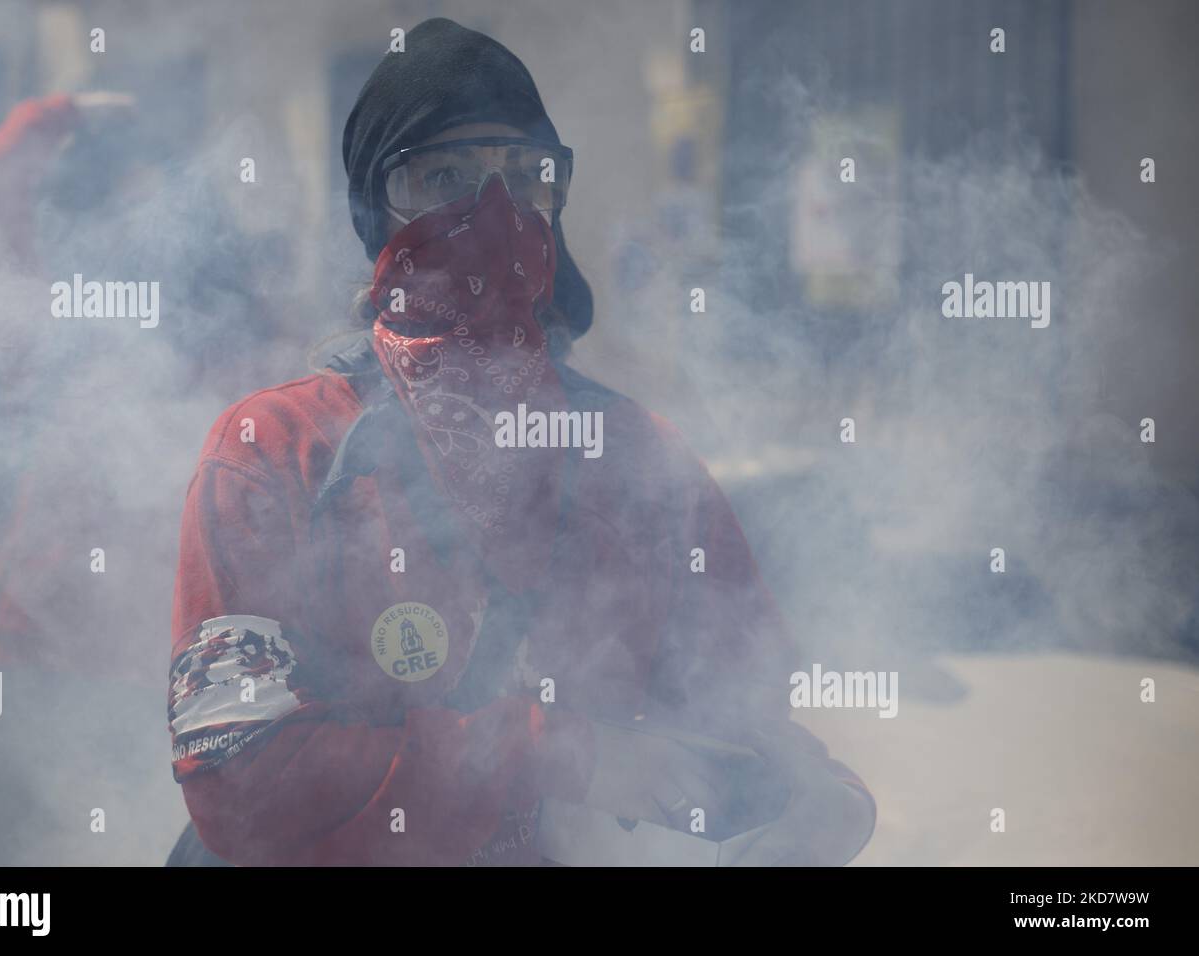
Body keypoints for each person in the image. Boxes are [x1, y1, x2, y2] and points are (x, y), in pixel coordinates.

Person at [168, 17, 874, 866]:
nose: (492, 210)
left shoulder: (639, 455)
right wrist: (556, 751)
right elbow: (238, 776)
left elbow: (731, 712)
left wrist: (822, 799)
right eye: (441, 175)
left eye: (525, 175)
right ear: (375, 211)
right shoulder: (275, 449)